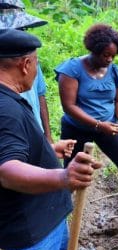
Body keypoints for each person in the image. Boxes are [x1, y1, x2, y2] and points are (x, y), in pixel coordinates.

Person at [0, 28, 101, 250]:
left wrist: (47, 150)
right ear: (25, 64)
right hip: (32, 232)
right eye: (37, 62)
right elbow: (6, 170)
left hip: (46, 219)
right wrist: (63, 178)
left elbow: (14, 150)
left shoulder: (10, 99)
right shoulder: (5, 108)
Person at [55, 23, 118, 226]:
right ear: (93, 49)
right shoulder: (72, 69)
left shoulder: (114, 70)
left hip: (108, 127)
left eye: (113, 56)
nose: (109, 60)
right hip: (77, 129)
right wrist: (99, 125)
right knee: (71, 174)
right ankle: (59, 217)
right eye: (105, 55)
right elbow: (69, 107)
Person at [0, 0, 53, 143]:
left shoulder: (29, 57)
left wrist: (47, 137)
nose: (21, 36)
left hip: (34, 133)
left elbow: (40, 95)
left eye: (23, 30)